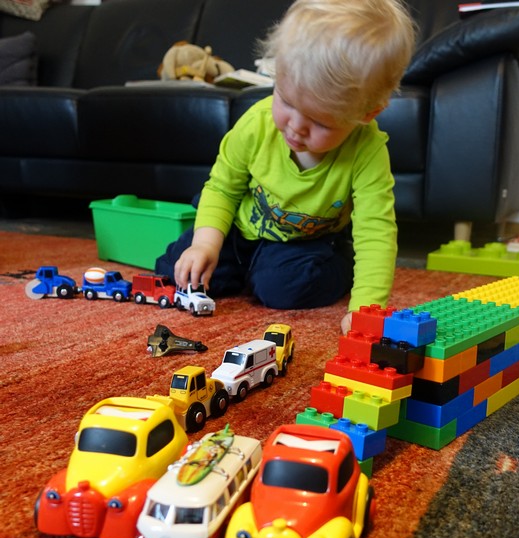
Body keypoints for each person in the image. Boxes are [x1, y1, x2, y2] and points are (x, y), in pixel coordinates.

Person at [157, 0, 416, 334]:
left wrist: (366, 308)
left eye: (319, 122)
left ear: (366, 114)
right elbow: (222, 187)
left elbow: (376, 231)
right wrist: (205, 244)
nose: (295, 126)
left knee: (283, 288)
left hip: (304, 243)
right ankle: (242, 271)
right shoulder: (256, 124)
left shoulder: (367, 151)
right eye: (286, 100)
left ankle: (339, 264)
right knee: (177, 267)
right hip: (241, 229)